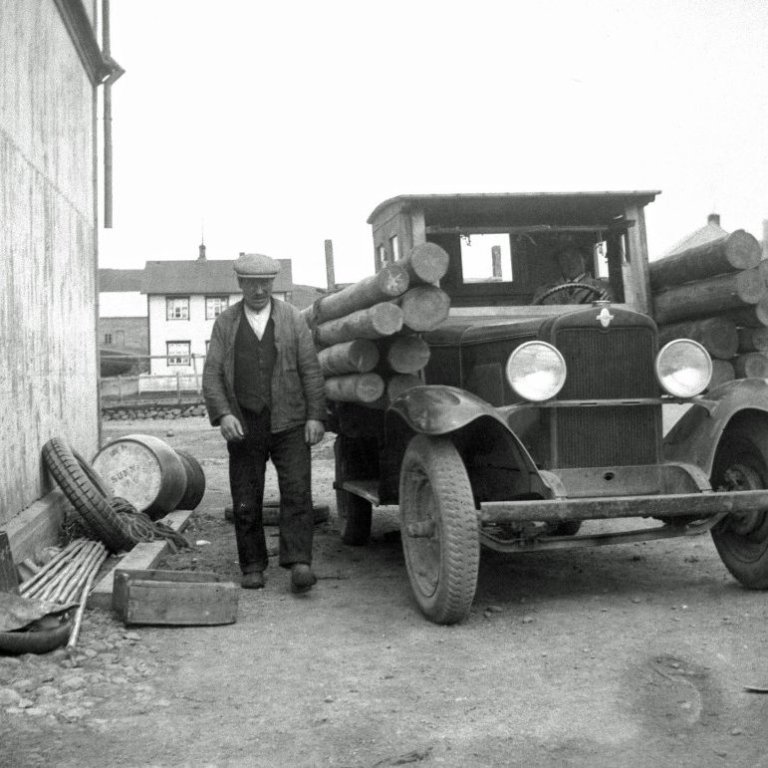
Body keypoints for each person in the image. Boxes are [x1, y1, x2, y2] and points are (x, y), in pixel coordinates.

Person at [202, 253, 326, 593]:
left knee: (298, 492)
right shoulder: (225, 323)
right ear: (240, 284)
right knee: (246, 497)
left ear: (273, 284)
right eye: (252, 283)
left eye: (265, 283)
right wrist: (224, 414)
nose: (259, 290)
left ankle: (299, 562)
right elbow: (212, 374)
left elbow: (311, 370)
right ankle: (253, 564)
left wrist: (315, 416)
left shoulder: (292, 319)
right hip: (244, 423)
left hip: (290, 421)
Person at [532, 245, 613, 305]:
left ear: (585, 259)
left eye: (574, 256)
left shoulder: (602, 288)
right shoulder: (544, 291)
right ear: (559, 263)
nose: (570, 263)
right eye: (564, 258)